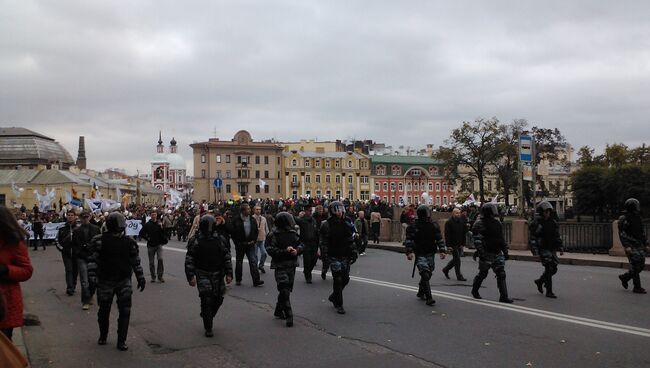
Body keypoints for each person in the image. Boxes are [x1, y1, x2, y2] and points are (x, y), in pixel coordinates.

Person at [88, 212, 146, 351]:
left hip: (123, 280)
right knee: (104, 310)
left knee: (125, 311)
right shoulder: (99, 240)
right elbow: (92, 261)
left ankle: (122, 340)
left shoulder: (129, 242)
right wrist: (92, 277)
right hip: (105, 280)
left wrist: (140, 276)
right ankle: (103, 334)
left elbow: (135, 261)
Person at [185, 215, 233, 337]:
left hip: (218, 272)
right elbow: (190, 259)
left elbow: (226, 257)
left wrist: (229, 273)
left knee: (218, 298)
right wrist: (190, 276)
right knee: (206, 298)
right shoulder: (196, 240)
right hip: (202, 273)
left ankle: (208, 314)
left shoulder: (220, 239)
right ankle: (208, 326)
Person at [0, 206, 34, 340]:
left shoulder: (14, 242)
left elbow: (26, 271)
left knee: (4, 349)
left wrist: (6, 269)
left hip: (5, 301)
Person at [265, 212, 304, 327]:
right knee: (284, 289)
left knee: (286, 290)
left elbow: (301, 244)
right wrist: (284, 251)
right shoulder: (273, 235)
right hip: (280, 265)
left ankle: (278, 310)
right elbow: (270, 249)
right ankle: (289, 315)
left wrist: (297, 250)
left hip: (291, 265)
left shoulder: (293, 233)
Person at [320, 201, 358, 314]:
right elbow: (323, 242)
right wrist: (324, 256)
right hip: (333, 255)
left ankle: (334, 296)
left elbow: (350, 239)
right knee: (338, 279)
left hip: (345, 254)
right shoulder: (326, 224)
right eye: (337, 209)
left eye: (341, 209)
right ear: (332, 211)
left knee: (346, 278)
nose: (340, 211)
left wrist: (354, 251)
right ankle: (339, 304)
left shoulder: (346, 223)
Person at [471, 203, 513, 303]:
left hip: (497, 252)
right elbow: (477, 240)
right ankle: (474, 290)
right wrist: (482, 253)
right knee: (483, 273)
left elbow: (501, 239)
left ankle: (504, 296)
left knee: (501, 273)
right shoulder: (479, 224)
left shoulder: (497, 223)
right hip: (486, 252)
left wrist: (505, 251)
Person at [404, 205, 446, 306]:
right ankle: (429, 298)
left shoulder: (433, 225)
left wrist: (442, 250)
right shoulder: (414, 226)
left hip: (430, 252)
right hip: (420, 253)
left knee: (429, 273)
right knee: (425, 274)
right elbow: (409, 240)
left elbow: (439, 238)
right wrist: (409, 252)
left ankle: (421, 290)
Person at [530, 201, 564, 298]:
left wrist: (560, 247)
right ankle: (549, 291)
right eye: (545, 211)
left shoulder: (553, 222)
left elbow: (557, 235)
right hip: (543, 248)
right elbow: (533, 238)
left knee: (554, 269)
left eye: (548, 211)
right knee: (549, 268)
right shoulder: (537, 223)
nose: (547, 213)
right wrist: (535, 252)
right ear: (541, 212)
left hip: (552, 248)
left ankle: (540, 281)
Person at [617, 198, 649, 294]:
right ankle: (637, 287)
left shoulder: (638, 217)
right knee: (635, 265)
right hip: (630, 245)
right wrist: (626, 246)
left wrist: (646, 244)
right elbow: (622, 233)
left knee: (641, 264)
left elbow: (641, 232)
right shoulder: (624, 218)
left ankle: (625, 277)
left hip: (638, 244)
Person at [73, 211, 101, 309]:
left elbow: (99, 242)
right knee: (84, 281)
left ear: (89, 217)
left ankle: (90, 295)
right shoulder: (76, 230)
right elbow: (74, 244)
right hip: (82, 257)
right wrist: (79, 251)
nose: (85, 219)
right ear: (80, 218)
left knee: (93, 280)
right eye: (83, 217)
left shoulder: (96, 228)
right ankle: (85, 301)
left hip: (92, 257)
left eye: (86, 217)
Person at [230, 203, 264, 287]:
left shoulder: (252, 219)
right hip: (240, 245)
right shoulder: (236, 220)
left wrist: (254, 240)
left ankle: (256, 280)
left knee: (253, 261)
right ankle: (238, 279)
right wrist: (237, 242)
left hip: (250, 244)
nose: (249, 210)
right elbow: (233, 233)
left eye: (249, 208)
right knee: (239, 262)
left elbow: (256, 231)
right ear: (243, 211)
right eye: (247, 209)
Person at [139, 211, 167, 283]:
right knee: (151, 262)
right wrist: (147, 238)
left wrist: (161, 227)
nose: (154, 216)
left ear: (157, 216)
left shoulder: (159, 224)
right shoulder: (147, 224)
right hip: (151, 246)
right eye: (152, 215)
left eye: (155, 215)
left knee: (160, 259)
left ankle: (160, 276)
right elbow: (141, 233)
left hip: (159, 245)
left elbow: (164, 233)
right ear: (150, 216)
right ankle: (153, 277)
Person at [56, 211, 79, 295]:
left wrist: (79, 249)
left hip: (76, 253)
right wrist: (62, 249)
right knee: (69, 269)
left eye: (71, 215)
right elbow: (57, 240)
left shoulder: (78, 228)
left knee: (75, 270)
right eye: (68, 215)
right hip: (66, 253)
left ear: (75, 216)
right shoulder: (62, 228)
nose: (70, 217)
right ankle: (70, 287)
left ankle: (73, 284)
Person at [442, 208, 468, 281]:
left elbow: (463, 233)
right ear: (453, 213)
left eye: (459, 213)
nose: (458, 214)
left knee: (456, 259)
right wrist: (448, 245)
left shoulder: (461, 222)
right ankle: (459, 275)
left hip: (459, 243)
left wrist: (463, 243)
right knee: (457, 259)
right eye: (456, 213)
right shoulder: (449, 222)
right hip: (452, 244)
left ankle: (445, 269)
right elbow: (447, 235)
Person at [295, 205, 319, 283]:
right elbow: (292, 219)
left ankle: (307, 271)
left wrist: (318, 245)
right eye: (309, 211)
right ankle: (308, 277)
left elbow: (317, 232)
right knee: (307, 261)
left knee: (314, 260)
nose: (310, 212)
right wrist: (299, 216)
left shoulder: (314, 220)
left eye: (311, 211)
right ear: (305, 211)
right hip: (305, 243)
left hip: (314, 243)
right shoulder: (302, 220)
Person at [253, 205, 269, 274]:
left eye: (259, 209)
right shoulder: (251, 218)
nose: (258, 211)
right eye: (257, 209)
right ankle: (255, 267)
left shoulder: (263, 218)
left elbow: (266, 229)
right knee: (255, 255)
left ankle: (261, 265)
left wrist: (268, 235)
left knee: (264, 254)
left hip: (262, 239)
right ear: (254, 210)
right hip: (254, 240)